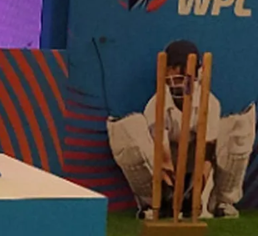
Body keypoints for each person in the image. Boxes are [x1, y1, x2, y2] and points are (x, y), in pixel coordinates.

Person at [107, 40, 254, 219]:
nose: (177, 82)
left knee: (238, 127)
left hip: (195, 159)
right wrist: (171, 193)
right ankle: (156, 203)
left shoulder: (210, 103)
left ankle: (221, 202)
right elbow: (164, 159)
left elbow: (206, 156)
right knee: (128, 128)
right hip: (168, 161)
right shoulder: (156, 105)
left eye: (181, 75)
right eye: (172, 74)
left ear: (197, 73)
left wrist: (195, 194)